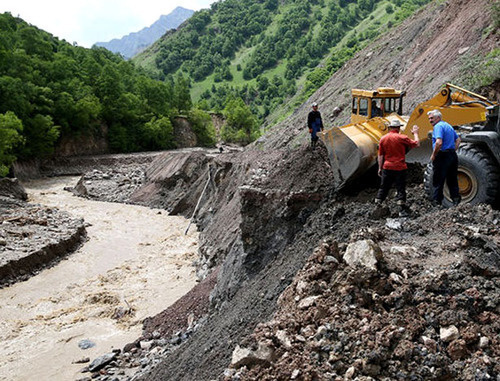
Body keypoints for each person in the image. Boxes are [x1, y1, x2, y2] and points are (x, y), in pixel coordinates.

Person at [374, 119, 420, 217]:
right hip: (400, 167)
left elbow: (380, 155)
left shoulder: (383, 139)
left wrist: (380, 168)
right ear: (398, 128)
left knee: (384, 186)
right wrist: (415, 133)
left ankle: (378, 205)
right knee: (400, 188)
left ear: (390, 128)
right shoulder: (402, 137)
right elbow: (417, 144)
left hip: (387, 166)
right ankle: (402, 209)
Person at [428, 109, 461, 206]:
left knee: (438, 180)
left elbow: (439, 142)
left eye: (432, 118)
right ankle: (456, 201)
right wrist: (452, 150)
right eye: (429, 118)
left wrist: (434, 155)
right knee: (452, 179)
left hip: (442, 155)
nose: (430, 120)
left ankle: (436, 203)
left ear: (438, 117)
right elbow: (458, 140)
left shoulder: (438, 127)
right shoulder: (448, 126)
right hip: (452, 155)